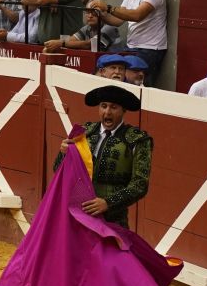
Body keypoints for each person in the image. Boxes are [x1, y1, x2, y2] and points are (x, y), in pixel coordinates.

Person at [52, 82, 153, 226]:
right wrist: (63, 153)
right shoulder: (84, 132)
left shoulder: (137, 140)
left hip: (113, 218)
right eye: (103, 106)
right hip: (78, 212)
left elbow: (140, 184)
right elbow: (58, 170)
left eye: (114, 107)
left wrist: (108, 203)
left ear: (124, 110)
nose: (107, 112)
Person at [89, 0, 167, 76]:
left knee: (135, 83)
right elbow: (118, 20)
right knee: (111, 72)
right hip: (132, 46)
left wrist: (108, 8)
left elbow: (137, 15)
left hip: (150, 48)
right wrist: (101, 14)